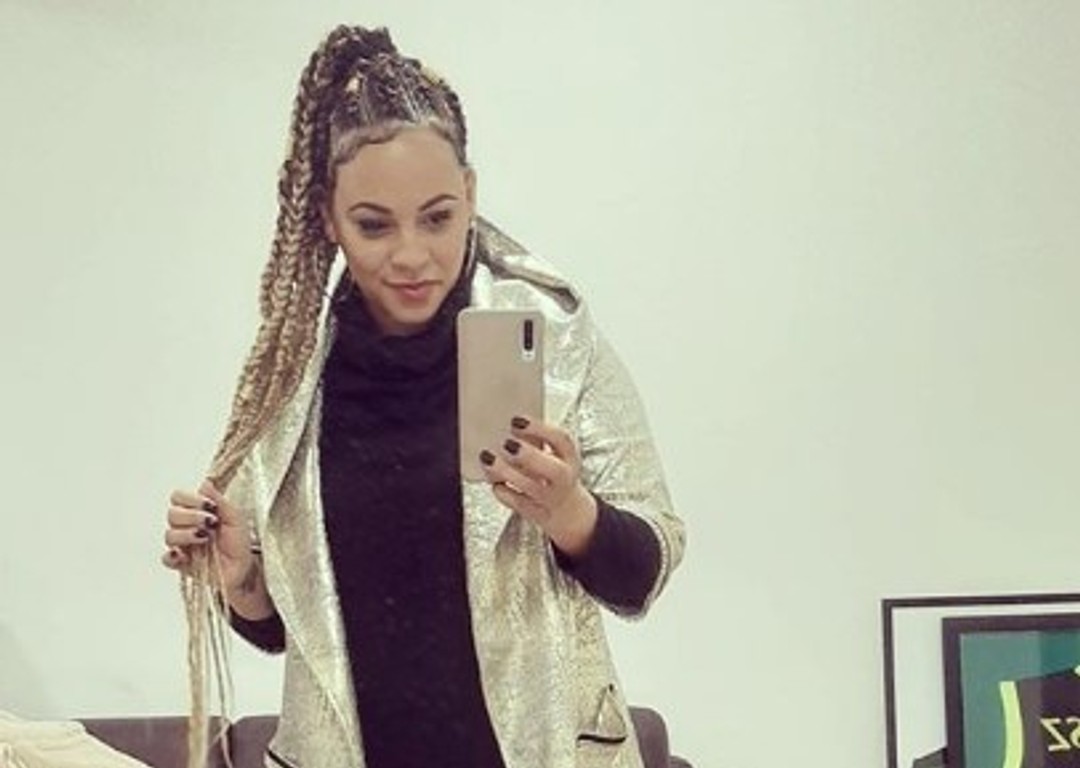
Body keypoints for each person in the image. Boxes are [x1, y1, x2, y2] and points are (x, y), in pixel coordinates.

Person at [161, 24, 685, 768]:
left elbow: (648, 568)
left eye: (437, 217)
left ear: (469, 194)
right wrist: (241, 579)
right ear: (329, 217)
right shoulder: (289, 376)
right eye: (374, 225)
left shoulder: (558, 341)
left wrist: (570, 513)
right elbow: (280, 629)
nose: (411, 255)